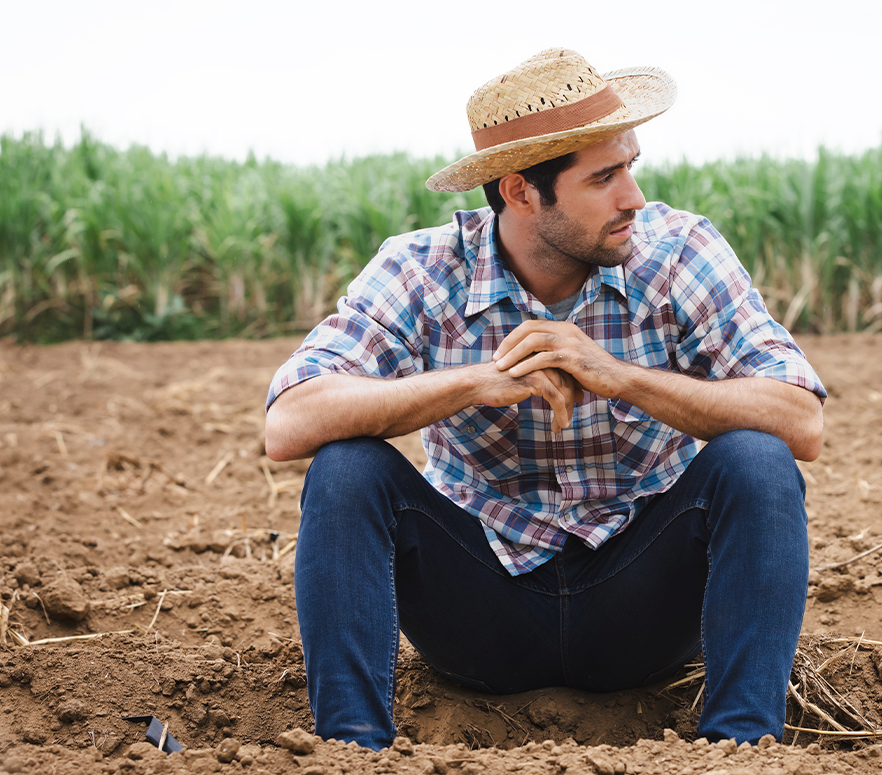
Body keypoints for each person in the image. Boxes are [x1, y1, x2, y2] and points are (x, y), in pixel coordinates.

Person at [262, 48, 826, 751]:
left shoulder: (679, 252)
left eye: (631, 165)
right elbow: (289, 422)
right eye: (605, 177)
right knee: (346, 468)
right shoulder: (422, 269)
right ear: (521, 191)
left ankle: (741, 750)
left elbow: (801, 418)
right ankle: (351, 754)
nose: (634, 197)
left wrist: (620, 375)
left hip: (641, 604)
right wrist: (472, 382)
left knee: (758, 460)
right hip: (479, 613)